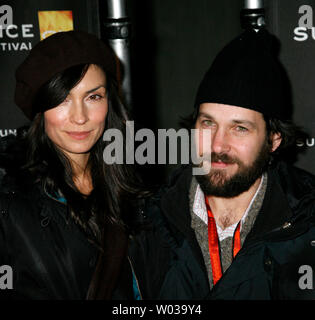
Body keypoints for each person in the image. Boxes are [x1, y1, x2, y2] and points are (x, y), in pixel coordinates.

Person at [129, 28, 315, 299]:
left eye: (239, 128)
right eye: (208, 123)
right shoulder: (146, 223)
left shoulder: (306, 227)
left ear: (273, 140)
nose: (217, 145)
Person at [0, 30, 143, 300]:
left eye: (93, 97)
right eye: (63, 99)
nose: (80, 117)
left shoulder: (137, 190)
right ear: (40, 109)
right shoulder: (10, 202)